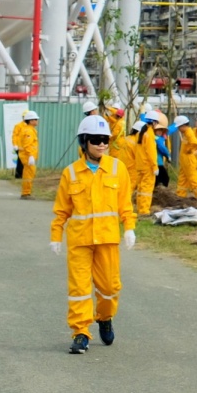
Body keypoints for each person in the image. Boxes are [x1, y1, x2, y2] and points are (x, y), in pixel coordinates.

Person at [50, 115, 136, 353]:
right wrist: (56, 235)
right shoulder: (71, 173)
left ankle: (105, 317)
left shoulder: (118, 169)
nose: (101, 144)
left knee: (110, 288)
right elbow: (61, 210)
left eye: (105, 140)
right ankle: (80, 333)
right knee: (79, 289)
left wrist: (129, 227)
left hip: (107, 240)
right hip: (80, 242)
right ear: (84, 142)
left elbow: (125, 204)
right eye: (96, 140)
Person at [14, 109, 40, 198]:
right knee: (29, 174)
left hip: (28, 156)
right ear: (31, 121)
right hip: (28, 156)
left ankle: (26, 192)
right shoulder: (29, 131)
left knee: (28, 174)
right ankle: (26, 193)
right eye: (35, 119)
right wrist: (31, 156)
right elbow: (27, 145)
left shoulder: (30, 130)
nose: (37, 121)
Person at [171, 115, 197, 199]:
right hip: (184, 161)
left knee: (194, 181)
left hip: (189, 161)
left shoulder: (189, 132)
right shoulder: (186, 133)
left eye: (179, 127)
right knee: (182, 179)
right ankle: (180, 195)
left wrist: (189, 149)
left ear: (183, 125)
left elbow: (195, 142)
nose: (178, 129)